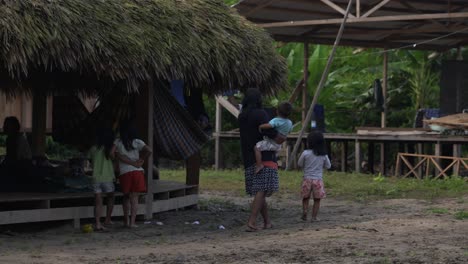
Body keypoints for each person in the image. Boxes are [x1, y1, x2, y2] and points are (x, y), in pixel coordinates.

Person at [238, 88, 279, 232]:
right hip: (264, 156)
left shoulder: (242, 116)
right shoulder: (261, 114)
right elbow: (271, 132)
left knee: (259, 191)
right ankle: (252, 222)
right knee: (261, 190)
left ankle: (267, 222)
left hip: (248, 156)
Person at [114, 121, 152, 228]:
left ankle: (125, 221)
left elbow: (112, 153)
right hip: (137, 172)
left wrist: (119, 158)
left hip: (125, 173)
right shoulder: (137, 142)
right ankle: (132, 223)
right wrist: (141, 160)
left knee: (126, 197)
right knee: (134, 198)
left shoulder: (118, 142)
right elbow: (149, 150)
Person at [298, 131, 331, 222]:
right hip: (318, 180)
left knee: (305, 197)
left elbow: (299, 164)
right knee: (317, 199)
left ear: (309, 142)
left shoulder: (305, 153)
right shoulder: (323, 155)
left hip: (307, 179)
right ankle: (314, 217)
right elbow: (328, 166)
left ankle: (305, 212)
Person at [88, 128, 116, 231]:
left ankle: (98, 223)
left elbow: (91, 162)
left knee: (98, 202)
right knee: (111, 197)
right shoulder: (109, 149)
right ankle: (108, 219)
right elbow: (113, 159)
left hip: (96, 178)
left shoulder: (93, 148)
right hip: (107, 178)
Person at [254, 102, 293, 173]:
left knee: (257, 147)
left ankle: (259, 165)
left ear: (277, 111)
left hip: (270, 143)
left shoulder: (276, 120)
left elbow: (269, 125)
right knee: (273, 157)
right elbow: (289, 131)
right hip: (278, 146)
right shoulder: (290, 122)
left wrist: (260, 126)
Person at [0, 116, 32, 191]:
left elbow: (15, 158)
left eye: (7, 125)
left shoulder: (19, 139)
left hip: (22, 167)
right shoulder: (10, 139)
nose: (5, 127)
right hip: (16, 165)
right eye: (5, 125)